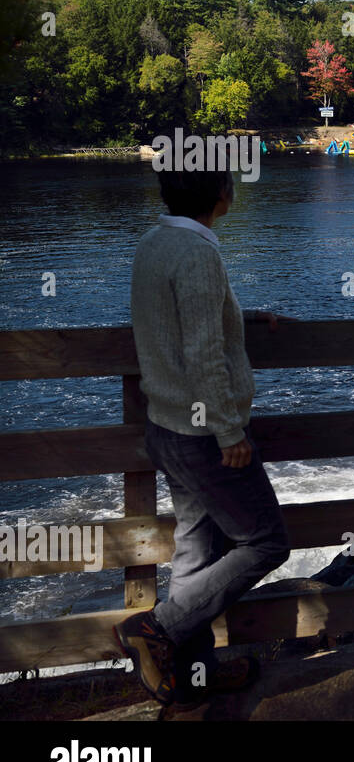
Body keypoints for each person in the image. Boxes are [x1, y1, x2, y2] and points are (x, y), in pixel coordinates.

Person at [114, 168, 292, 710]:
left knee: (198, 546)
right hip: (204, 435)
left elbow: (183, 323)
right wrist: (229, 430)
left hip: (167, 427)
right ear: (221, 196)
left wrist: (242, 319)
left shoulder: (156, 241)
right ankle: (156, 628)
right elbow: (201, 354)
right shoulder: (198, 254)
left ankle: (192, 677)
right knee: (265, 542)